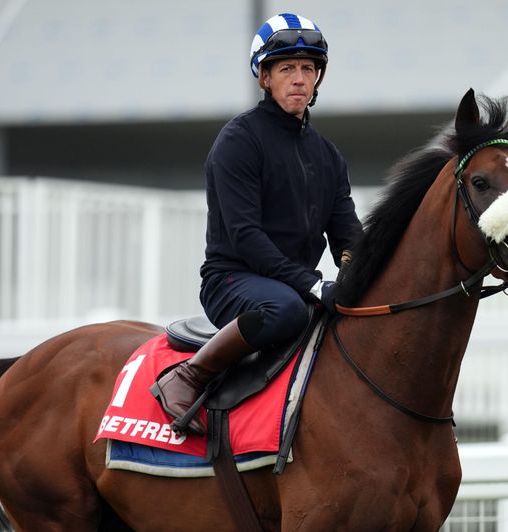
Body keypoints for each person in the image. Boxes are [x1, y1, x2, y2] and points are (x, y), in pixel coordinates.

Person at [152, 12, 363, 435]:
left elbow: (348, 235)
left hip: (296, 284)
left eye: (308, 68)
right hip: (233, 280)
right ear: (265, 77)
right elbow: (246, 238)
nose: (299, 79)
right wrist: (311, 284)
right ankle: (189, 375)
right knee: (285, 309)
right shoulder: (238, 141)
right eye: (287, 69)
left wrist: (362, 270)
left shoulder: (328, 156)